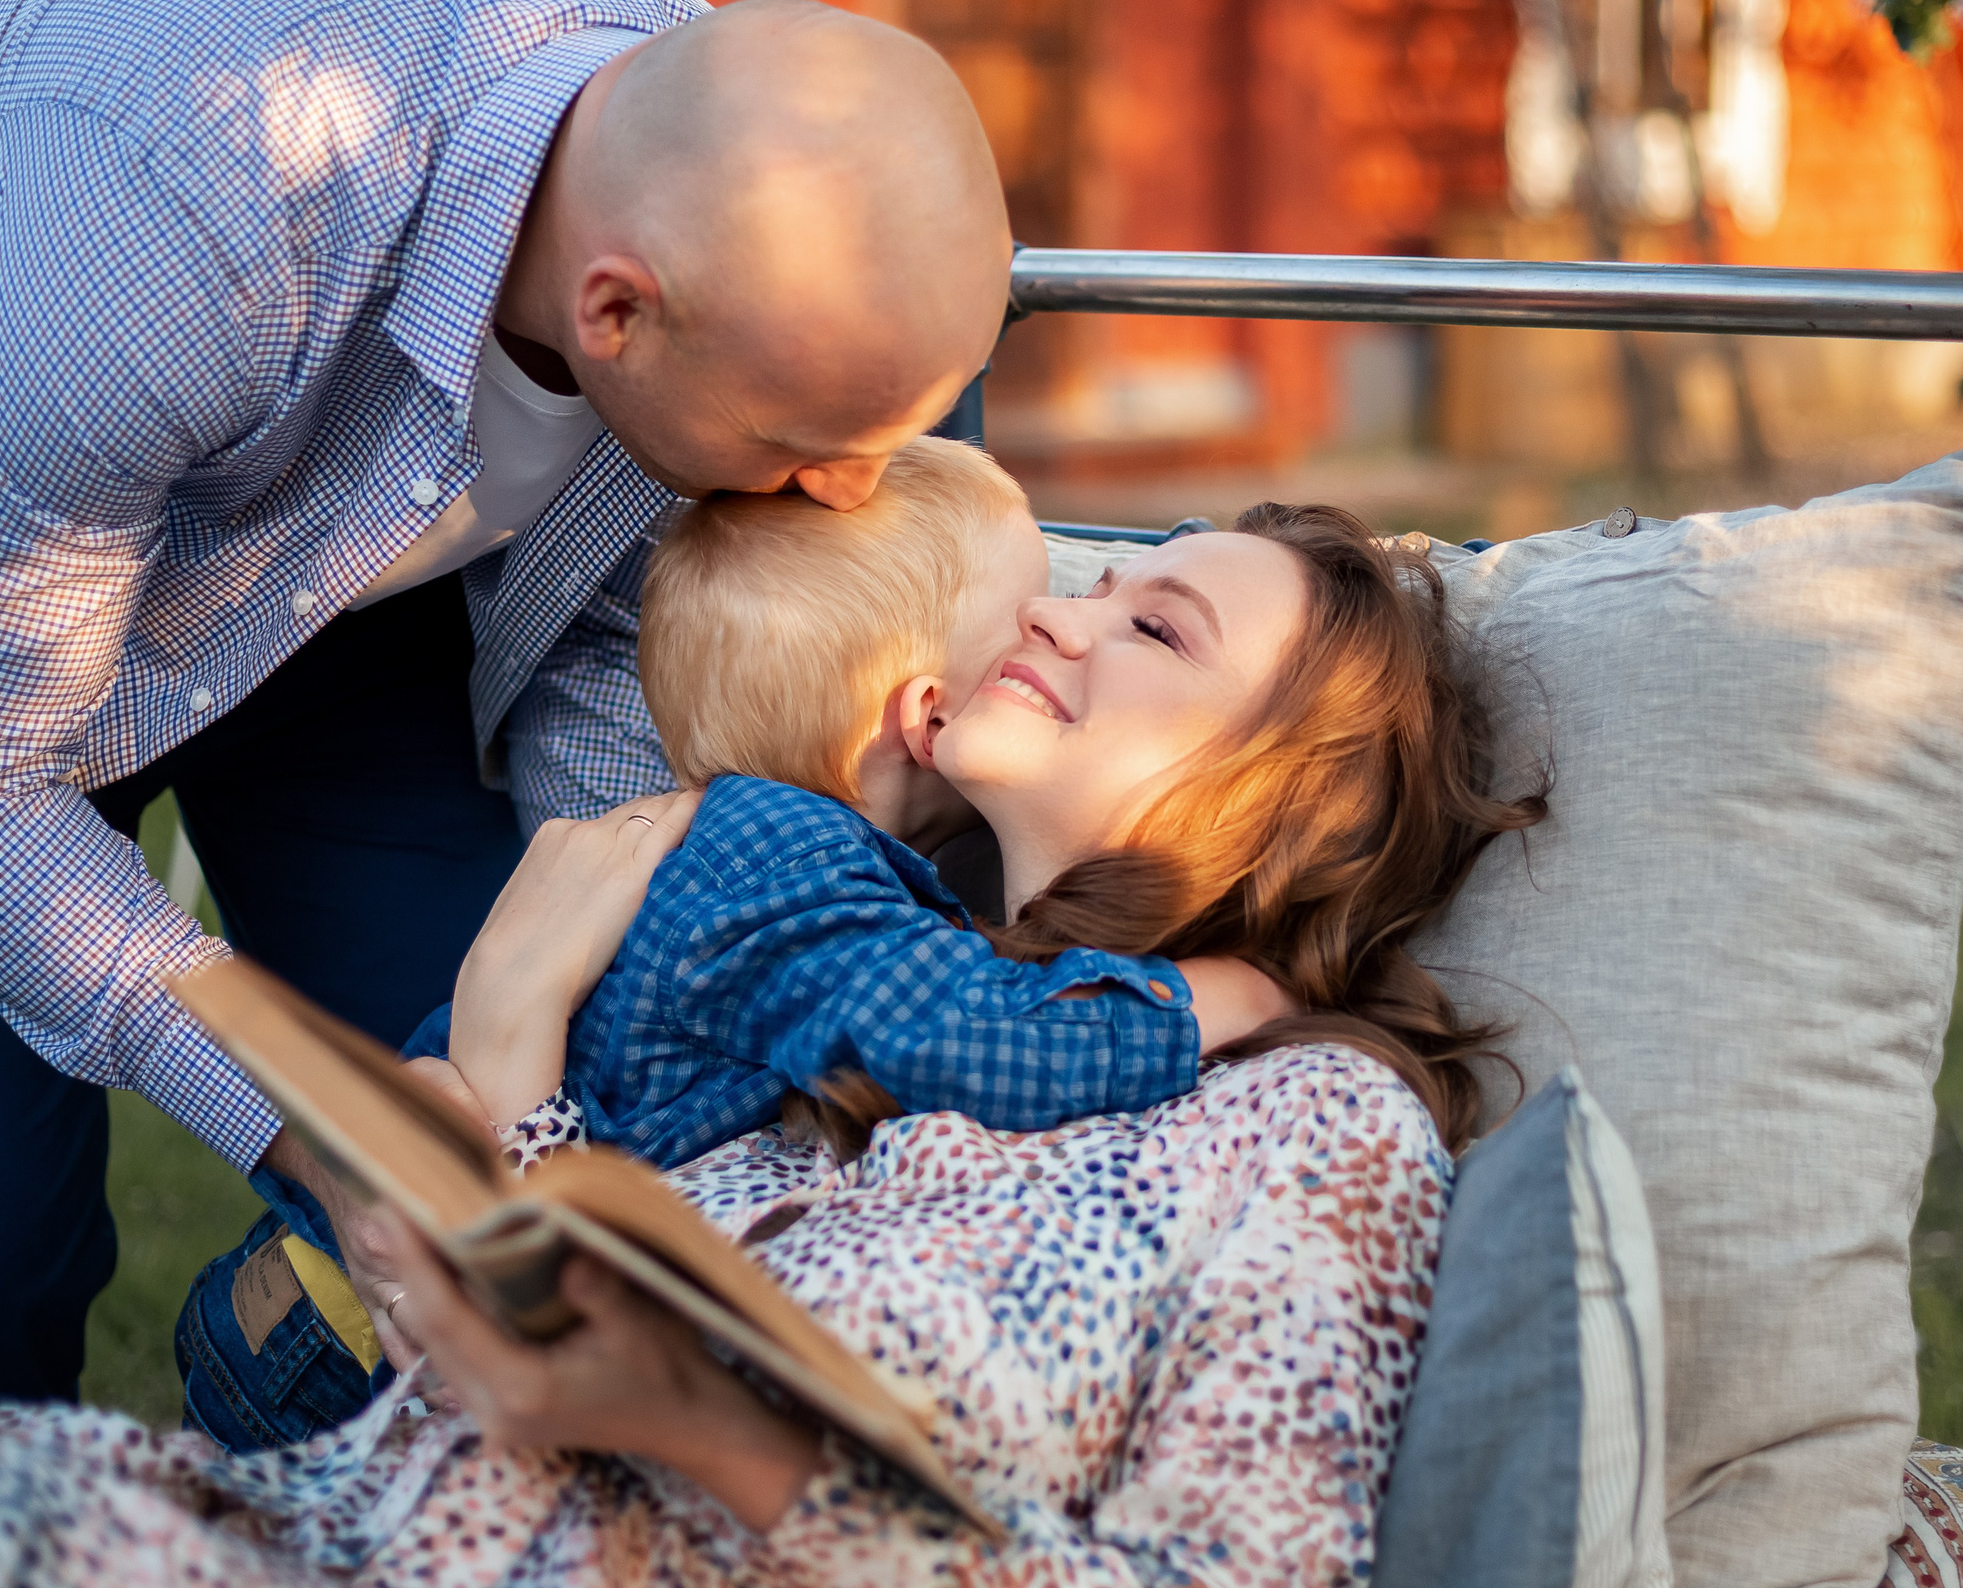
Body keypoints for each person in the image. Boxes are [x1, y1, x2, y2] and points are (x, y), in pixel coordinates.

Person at [0, 0, 1011, 1404]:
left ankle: (321, 1487)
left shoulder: (747, 198)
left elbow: (603, 653)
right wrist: (325, 1124)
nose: (842, 491)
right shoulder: (186, 201)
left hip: (350, 612)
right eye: (801, 444)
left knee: (502, 1100)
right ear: (615, 310)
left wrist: (584, 981)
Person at [0, 502, 1543, 1588]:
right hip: (319, 1526)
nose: (1059, 606)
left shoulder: (1307, 1136)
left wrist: (712, 1434)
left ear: (1303, 803)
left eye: (1153, 620)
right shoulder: (849, 962)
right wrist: (498, 1065)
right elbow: (557, 1283)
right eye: (1088, 580)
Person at [176, 439, 1291, 1450]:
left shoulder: (732, 841)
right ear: (927, 715)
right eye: (1027, 615)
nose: (1052, 626)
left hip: (317, 1300)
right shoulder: (791, 868)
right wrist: (1213, 1000)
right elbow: (971, 1037)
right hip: (343, 1346)